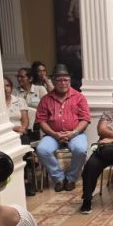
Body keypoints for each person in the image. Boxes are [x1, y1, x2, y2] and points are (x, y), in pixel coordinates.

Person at [35, 64, 90, 192]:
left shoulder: (79, 97)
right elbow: (42, 121)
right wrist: (54, 134)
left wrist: (73, 132)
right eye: (59, 80)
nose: (63, 83)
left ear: (70, 80)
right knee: (42, 150)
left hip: (75, 133)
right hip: (52, 134)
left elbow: (85, 119)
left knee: (80, 150)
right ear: (53, 81)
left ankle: (71, 178)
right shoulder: (46, 99)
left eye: (66, 79)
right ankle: (59, 178)